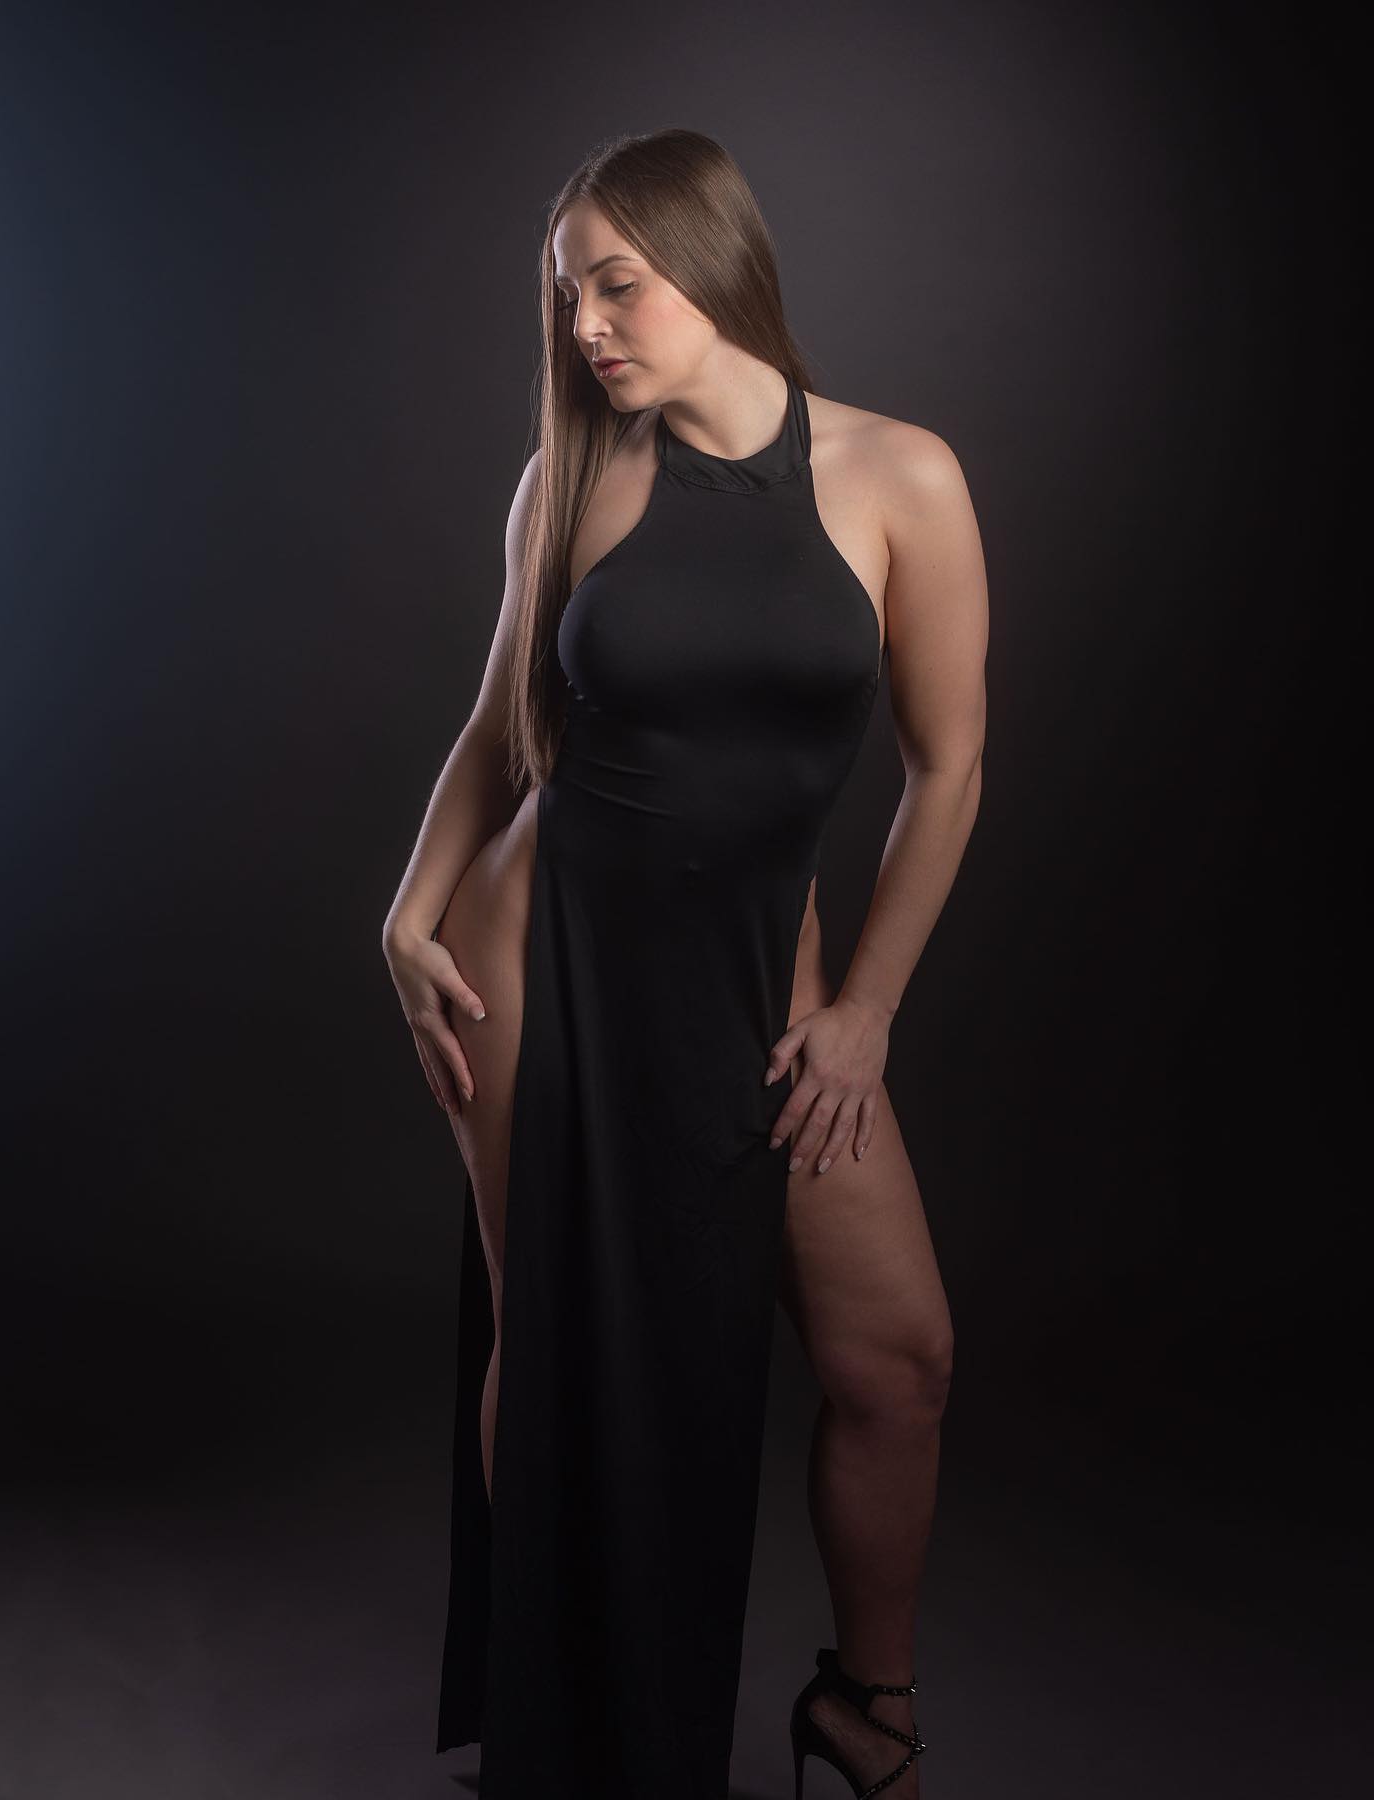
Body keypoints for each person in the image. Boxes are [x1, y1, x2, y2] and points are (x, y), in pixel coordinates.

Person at [383, 126, 988, 1800]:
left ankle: (866, 1708)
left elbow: (950, 768)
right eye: (567, 297)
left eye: (617, 287)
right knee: (556, 1358)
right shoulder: (572, 482)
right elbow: (500, 730)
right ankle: (568, 1740)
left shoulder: (901, 477)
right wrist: (405, 911)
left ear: (714, 266)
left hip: (767, 993)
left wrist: (865, 1011)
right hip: (544, 964)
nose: (585, 327)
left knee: (897, 1360)